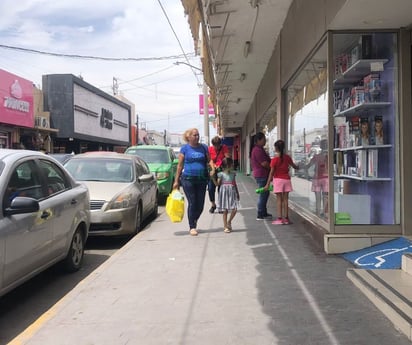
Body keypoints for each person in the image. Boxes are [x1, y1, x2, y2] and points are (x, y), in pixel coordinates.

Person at [173, 128, 211, 236]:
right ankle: (192, 226)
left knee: (201, 205)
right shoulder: (185, 149)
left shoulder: (203, 147)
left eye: (198, 135)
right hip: (188, 179)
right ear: (188, 137)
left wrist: (212, 168)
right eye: (194, 135)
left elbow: (209, 160)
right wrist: (176, 181)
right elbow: (180, 165)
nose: (197, 137)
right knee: (193, 202)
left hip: (202, 179)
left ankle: (194, 220)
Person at [264, 139, 299, 225]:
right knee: (286, 200)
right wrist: (299, 166)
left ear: (276, 148)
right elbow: (295, 166)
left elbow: (271, 173)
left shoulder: (274, 160)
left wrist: (267, 184)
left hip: (278, 181)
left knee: (279, 200)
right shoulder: (287, 157)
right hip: (286, 180)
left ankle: (280, 219)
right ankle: (286, 218)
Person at [213, 157, 239, 233]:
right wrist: (213, 179)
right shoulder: (221, 174)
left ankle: (229, 221)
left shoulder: (233, 174)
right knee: (225, 211)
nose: (233, 166)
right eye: (232, 164)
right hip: (224, 193)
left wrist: (237, 193)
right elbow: (218, 184)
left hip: (232, 192)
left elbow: (234, 183)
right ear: (227, 166)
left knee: (234, 209)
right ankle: (225, 226)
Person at [250, 132, 272, 220]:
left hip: (263, 174)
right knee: (263, 194)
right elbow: (264, 163)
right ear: (258, 140)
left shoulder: (260, 149)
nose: (265, 141)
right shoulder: (257, 150)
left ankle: (264, 212)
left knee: (266, 193)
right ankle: (260, 213)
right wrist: (272, 168)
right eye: (264, 139)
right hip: (262, 174)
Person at [305, 139, 328, 218]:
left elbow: (309, 165)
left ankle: (318, 213)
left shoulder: (316, 156)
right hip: (326, 178)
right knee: (325, 197)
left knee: (318, 197)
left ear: (320, 146)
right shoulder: (329, 156)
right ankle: (325, 213)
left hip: (317, 178)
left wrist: (302, 167)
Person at [208, 136, 230, 213]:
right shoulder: (210, 149)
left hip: (222, 170)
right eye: (215, 145)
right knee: (211, 188)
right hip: (213, 171)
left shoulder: (224, 148)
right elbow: (209, 159)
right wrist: (213, 167)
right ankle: (213, 205)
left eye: (218, 145)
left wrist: (221, 164)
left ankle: (221, 205)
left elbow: (227, 158)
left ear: (220, 144)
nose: (216, 147)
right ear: (213, 144)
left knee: (221, 188)